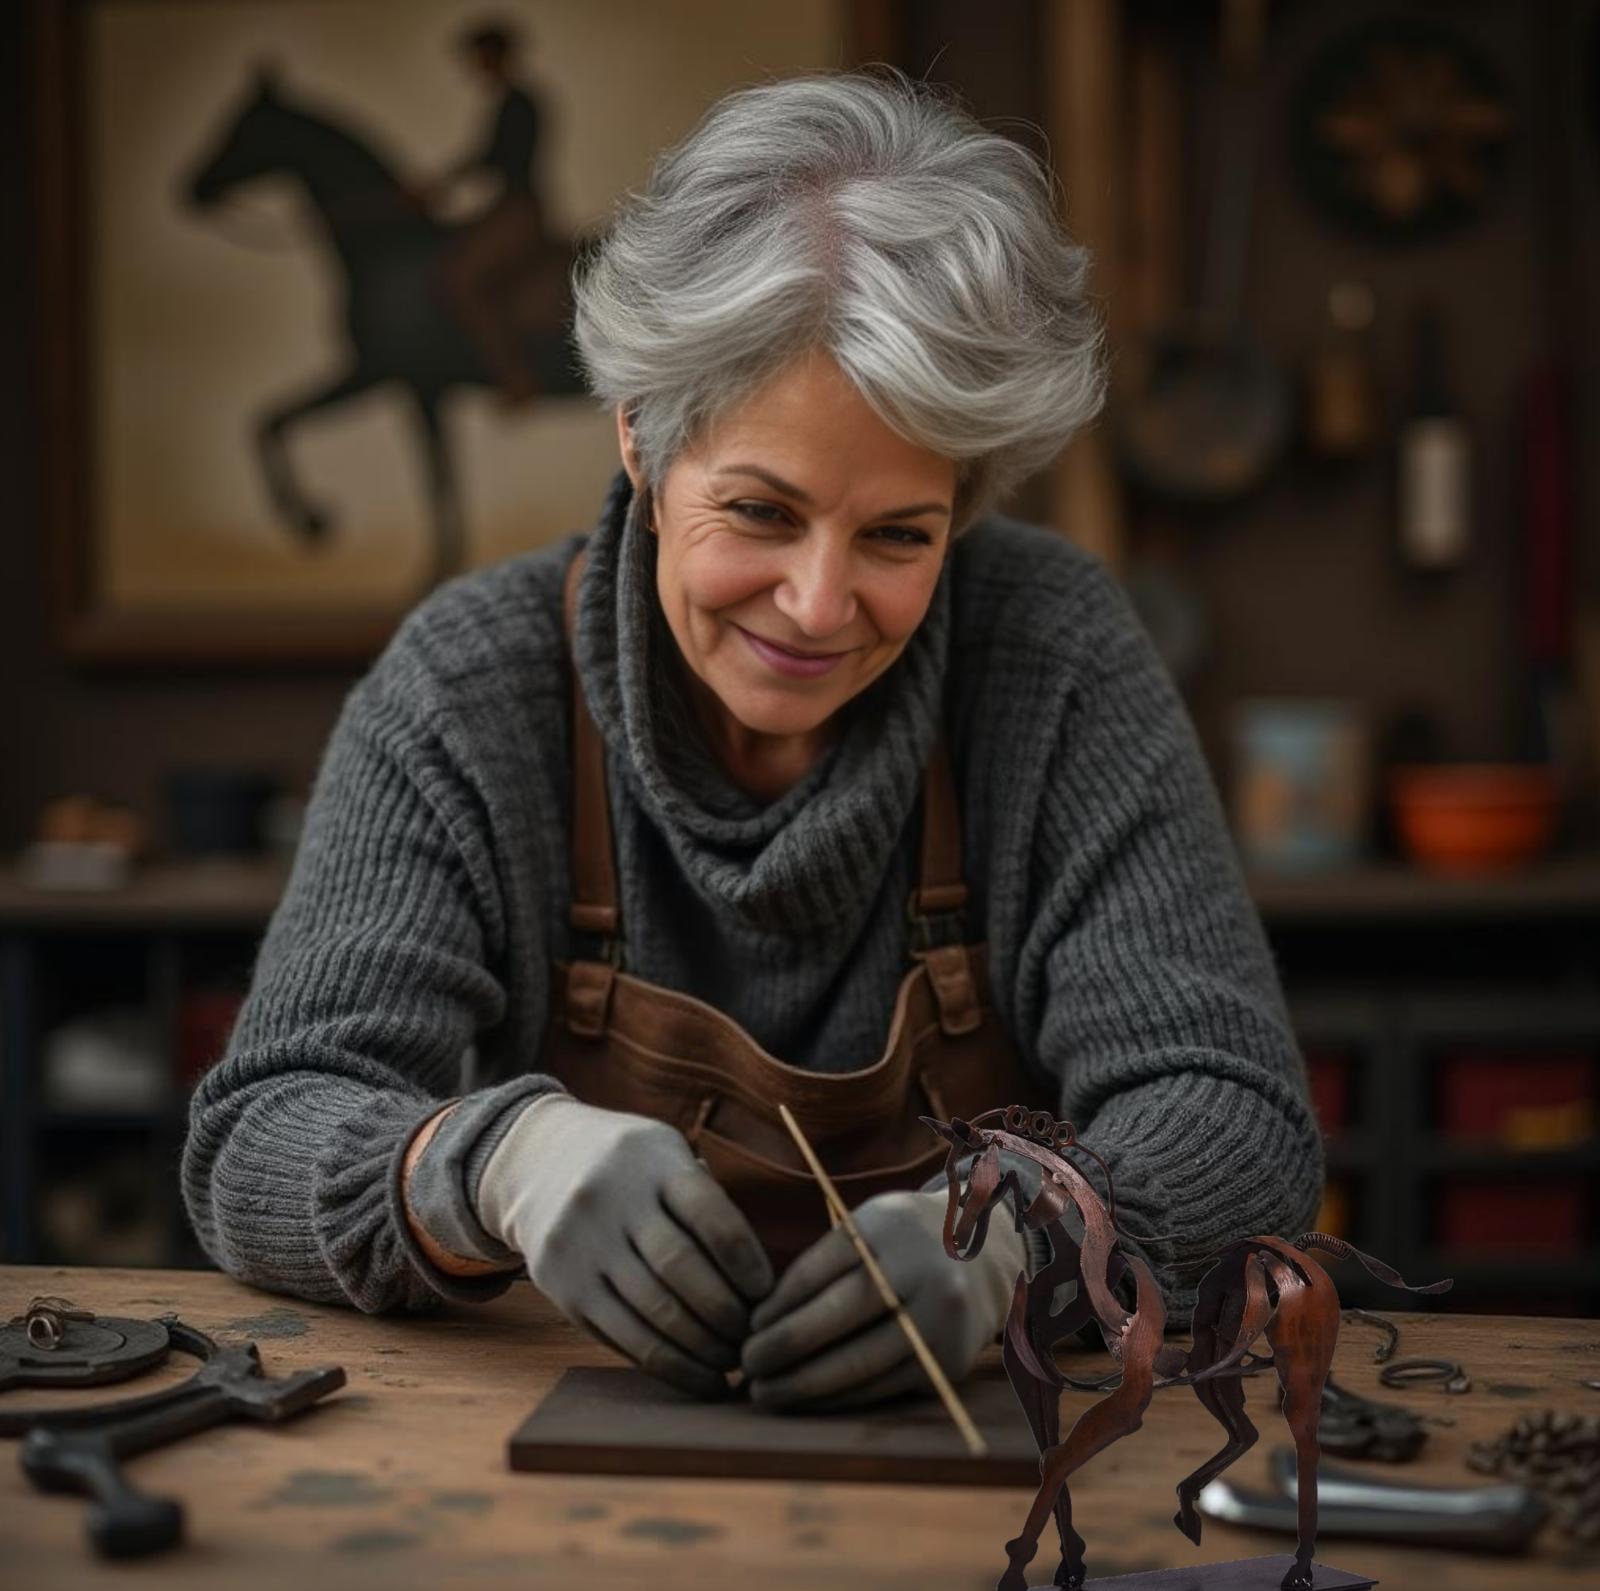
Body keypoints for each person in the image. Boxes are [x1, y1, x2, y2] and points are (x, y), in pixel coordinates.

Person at [181, 70, 1323, 1412]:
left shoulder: (1053, 654)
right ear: (641, 444)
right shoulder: (468, 686)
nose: (821, 604)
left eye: (902, 533)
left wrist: (1027, 1239)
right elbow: (259, 1134)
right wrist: (486, 1163)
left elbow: (1238, 1119)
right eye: (762, 512)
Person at [427, 19, 547, 405]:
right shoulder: (508, 102)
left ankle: (515, 378)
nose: (476, 67)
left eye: (480, 58)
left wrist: (441, 183)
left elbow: (495, 158)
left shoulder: (520, 103)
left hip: (518, 209)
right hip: (504, 206)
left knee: (464, 280)